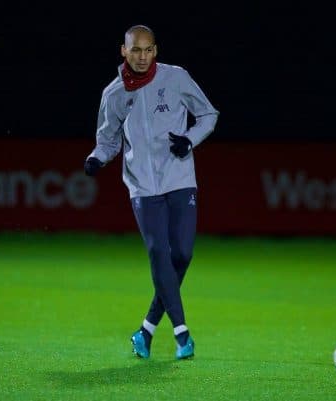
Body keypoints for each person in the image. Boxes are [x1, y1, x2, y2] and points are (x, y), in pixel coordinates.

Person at [84, 25, 218, 360]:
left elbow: (208, 115)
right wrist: (96, 159)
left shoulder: (176, 78)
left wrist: (189, 139)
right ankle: (182, 333)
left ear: (155, 51)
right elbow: (108, 140)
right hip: (142, 186)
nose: (142, 57)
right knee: (159, 253)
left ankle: (145, 330)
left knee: (182, 255)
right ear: (123, 51)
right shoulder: (114, 93)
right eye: (136, 50)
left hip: (180, 178)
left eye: (148, 50)